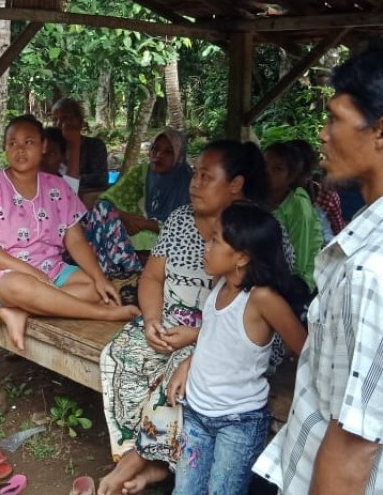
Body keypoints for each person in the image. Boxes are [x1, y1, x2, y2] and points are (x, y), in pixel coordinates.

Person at [98, 140, 287, 495]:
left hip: (225, 342)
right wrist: (153, 321)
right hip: (172, 322)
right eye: (195, 174)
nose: (194, 183)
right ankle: (140, 452)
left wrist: (194, 337)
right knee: (119, 354)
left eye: (205, 176)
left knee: (181, 375)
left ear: (236, 184)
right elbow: (152, 277)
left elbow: (261, 324)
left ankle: (141, 463)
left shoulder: (258, 230)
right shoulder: (180, 219)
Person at [254, 47, 383, 493]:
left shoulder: (370, 270)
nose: (323, 135)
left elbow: (353, 444)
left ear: (381, 130)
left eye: (335, 120)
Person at [0, 115, 139, 351]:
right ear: (5, 148)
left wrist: (99, 277)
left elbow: (75, 240)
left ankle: (20, 308)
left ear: (43, 146)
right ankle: (102, 314)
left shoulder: (57, 187)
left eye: (29, 142)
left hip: (51, 270)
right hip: (0, 274)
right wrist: (31, 273)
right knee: (20, 287)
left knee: (96, 289)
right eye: (12, 143)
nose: (20, 150)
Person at [166, 202, 307, 495]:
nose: (207, 244)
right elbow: (218, 338)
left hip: (238, 422)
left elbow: (305, 348)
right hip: (197, 412)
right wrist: (188, 363)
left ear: (241, 257)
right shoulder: (221, 284)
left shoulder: (262, 299)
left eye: (216, 239)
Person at [41, 126, 141, 278]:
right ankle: (113, 273)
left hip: (76, 242)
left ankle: (131, 271)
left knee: (104, 209)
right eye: (42, 152)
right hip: (56, 250)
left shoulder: (61, 183)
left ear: (62, 157)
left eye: (52, 153)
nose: (45, 158)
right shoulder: (28, 182)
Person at [103, 128, 192, 253]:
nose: (158, 155)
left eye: (168, 152)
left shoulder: (189, 183)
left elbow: (188, 229)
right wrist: (125, 217)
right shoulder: (143, 172)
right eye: (155, 149)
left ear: (179, 156)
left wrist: (146, 224)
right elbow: (104, 202)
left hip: (175, 245)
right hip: (139, 230)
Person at [263, 141, 322, 292]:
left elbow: (299, 263)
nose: (267, 173)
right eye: (264, 166)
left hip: (298, 278)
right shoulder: (258, 200)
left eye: (277, 169)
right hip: (269, 271)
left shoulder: (298, 206)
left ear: (291, 177)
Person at [51, 97, 109, 192]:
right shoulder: (50, 149)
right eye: (55, 119)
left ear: (79, 121)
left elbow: (101, 179)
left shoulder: (94, 146)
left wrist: (71, 180)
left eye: (65, 118)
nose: (59, 124)